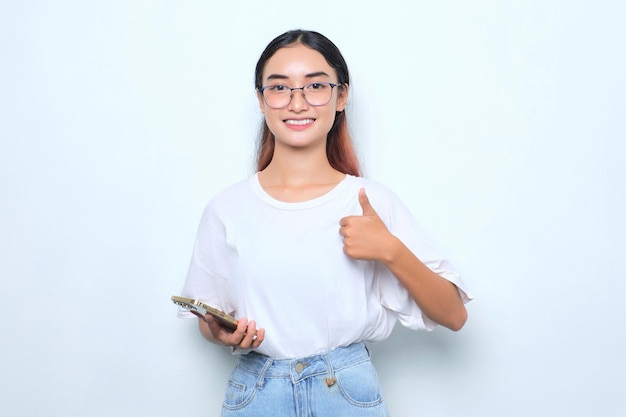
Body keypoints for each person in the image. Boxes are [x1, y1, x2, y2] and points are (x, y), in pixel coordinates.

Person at [178, 29, 472, 417]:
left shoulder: (369, 202)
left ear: (341, 96)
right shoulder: (227, 208)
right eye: (280, 88)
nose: (297, 103)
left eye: (315, 85)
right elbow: (209, 317)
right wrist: (218, 332)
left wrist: (390, 250)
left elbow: (453, 315)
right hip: (257, 393)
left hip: (346, 392)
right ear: (261, 100)